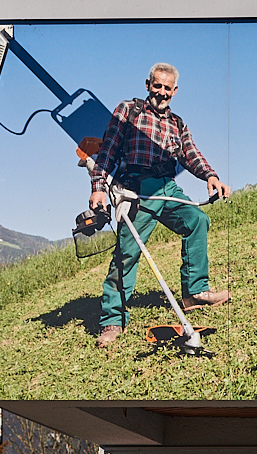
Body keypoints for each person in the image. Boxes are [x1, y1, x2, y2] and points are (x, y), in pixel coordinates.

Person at [88, 62, 233, 348]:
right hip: (136, 189)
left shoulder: (177, 123)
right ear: (147, 84)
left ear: (175, 91)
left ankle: (194, 292)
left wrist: (211, 176)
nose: (162, 92)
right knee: (126, 254)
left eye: (167, 88)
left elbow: (191, 154)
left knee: (196, 220)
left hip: (166, 186)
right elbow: (107, 150)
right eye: (157, 85)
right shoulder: (128, 111)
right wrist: (98, 189)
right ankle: (112, 321)